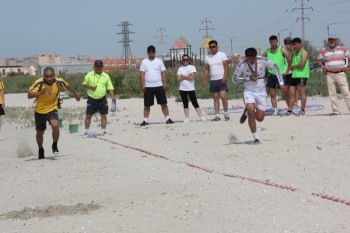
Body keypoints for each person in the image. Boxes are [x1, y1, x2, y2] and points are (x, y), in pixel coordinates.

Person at [233, 48, 285, 144]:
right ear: (246, 57)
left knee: (260, 118)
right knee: (251, 110)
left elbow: (276, 67)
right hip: (248, 91)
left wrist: (281, 82)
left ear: (256, 57)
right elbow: (234, 79)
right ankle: (255, 138)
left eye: (253, 58)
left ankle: (246, 113)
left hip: (261, 92)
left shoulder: (263, 60)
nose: (251, 61)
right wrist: (248, 78)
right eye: (249, 58)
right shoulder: (242, 64)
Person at [28, 67, 80, 159]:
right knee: (40, 133)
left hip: (52, 108)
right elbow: (29, 95)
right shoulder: (39, 83)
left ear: (54, 75)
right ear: (44, 76)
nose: (49, 78)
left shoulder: (59, 81)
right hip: (39, 111)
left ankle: (54, 144)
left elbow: (68, 86)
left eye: (51, 76)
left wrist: (76, 95)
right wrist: (40, 92)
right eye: (47, 76)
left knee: (55, 125)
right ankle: (40, 149)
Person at [139, 45, 174, 126]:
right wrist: (142, 85)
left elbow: (164, 72)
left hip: (159, 86)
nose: (151, 53)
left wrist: (165, 83)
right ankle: (145, 120)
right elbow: (141, 74)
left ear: (155, 52)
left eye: (153, 51)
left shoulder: (159, 61)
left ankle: (168, 118)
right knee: (147, 104)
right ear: (147, 52)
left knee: (163, 103)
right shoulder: (144, 62)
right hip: (148, 87)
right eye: (150, 51)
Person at [316, 33, 350, 115]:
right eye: (330, 39)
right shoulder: (324, 51)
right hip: (329, 74)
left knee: (346, 92)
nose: (331, 41)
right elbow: (318, 59)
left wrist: (348, 66)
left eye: (333, 39)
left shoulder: (343, 49)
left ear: (336, 40)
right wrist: (322, 66)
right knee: (332, 93)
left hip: (340, 73)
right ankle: (335, 111)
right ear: (328, 41)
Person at [83, 60, 116, 137]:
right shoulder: (89, 74)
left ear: (102, 67)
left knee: (104, 115)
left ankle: (103, 131)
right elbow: (84, 84)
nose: (99, 68)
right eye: (97, 66)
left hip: (102, 99)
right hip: (91, 99)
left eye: (100, 66)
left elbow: (110, 87)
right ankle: (86, 132)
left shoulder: (106, 76)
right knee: (88, 116)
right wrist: (90, 87)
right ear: (94, 67)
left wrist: (113, 96)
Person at [201, 40, 230, 121]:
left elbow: (226, 66)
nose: (212, 48)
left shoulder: (222, 54)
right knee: (215, 98)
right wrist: (203, 79)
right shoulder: (208, 57)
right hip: (213, 80)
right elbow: (206, 69)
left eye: (214, 46)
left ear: (217, 46)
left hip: (221, 78)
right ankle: (217, 115)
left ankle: (226, 113)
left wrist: (224, 77)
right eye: (210, 47)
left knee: (223, 96)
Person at [262, 35, 290, 116]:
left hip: (281, 75)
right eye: (271, 42)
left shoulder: (282, 49)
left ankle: (289, 109)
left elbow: (290, 59)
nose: (273, 44)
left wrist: (287, 71)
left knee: (284, 93)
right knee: (272, 94)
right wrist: (265, 70)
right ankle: (275, 110)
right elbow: (261, 59)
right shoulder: (267, 51)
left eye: (274, 42)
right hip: (271, 75)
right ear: (269, 43)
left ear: (277, 41)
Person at [177, 54, 206, 123]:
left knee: (194, 102)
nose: (185, 61)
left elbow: (192, 77)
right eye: (184, 60)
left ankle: (201, 117)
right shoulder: (180, 68)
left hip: (191, 88)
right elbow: (178, 78)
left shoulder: (192, 67)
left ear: (189, 60)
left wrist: (183, 76)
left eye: (187, 59)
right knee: (185, 103)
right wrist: (187, 76)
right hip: (182, 88)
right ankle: (187, 117)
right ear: (182, 60)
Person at [285, 37, 309, 116]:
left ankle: (302, 109)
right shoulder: (294, 52)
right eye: (293, 45)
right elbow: (288, 60)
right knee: (291, 93)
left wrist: (293, 67)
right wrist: (291, 51)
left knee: (301, 92)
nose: (295, 46)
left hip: (302, 75)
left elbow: (302, 64)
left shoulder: (304, 52)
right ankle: (290, 110)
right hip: (294, 75)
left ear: (300, 44)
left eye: (296, 44)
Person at [283, 36, 300, 107]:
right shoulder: (282, 51)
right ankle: (290, 104)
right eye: (286, 43)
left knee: (295, 89)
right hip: (285, 73)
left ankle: (295, 103)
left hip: (293, 72)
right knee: (286, 90)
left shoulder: (294, 52)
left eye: (289, 43)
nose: (288, 45)